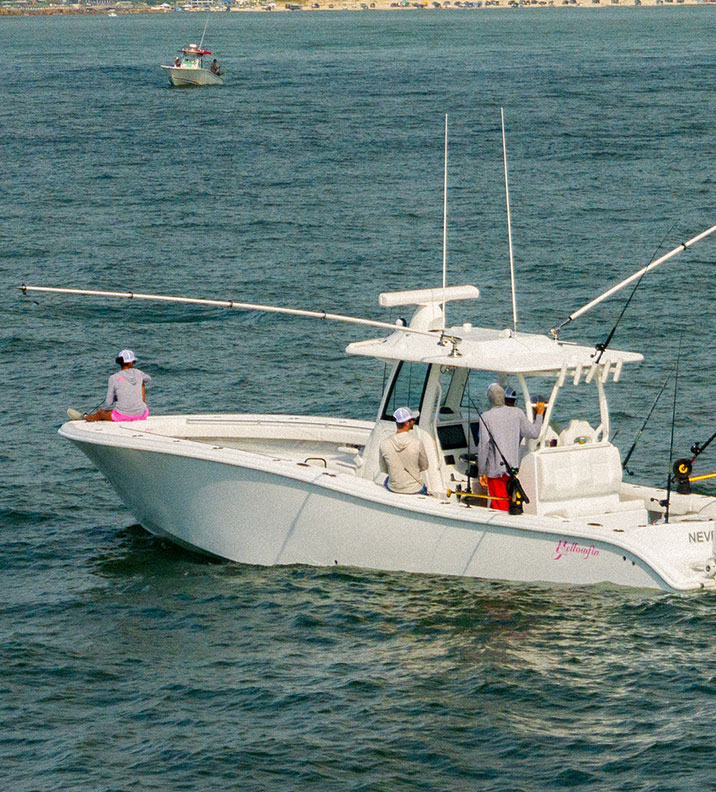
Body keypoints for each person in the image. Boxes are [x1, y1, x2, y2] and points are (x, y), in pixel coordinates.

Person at [477, 383, 545, 511]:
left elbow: (483, 447)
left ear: (489, 399)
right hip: (512, 470)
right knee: (509, 501)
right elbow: (534, 433)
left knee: (499, 505)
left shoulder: (485, 417)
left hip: (494, 472)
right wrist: (539, 414)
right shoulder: (518, 413)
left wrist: (481, 472)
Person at [68, 350, 152, 423]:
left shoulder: (114, 378)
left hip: (123, 416)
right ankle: (139, 407)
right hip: (142, 414)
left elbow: (108, 403)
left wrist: (117, 396)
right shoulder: (139, 373)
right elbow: (148, 379)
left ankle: (85, 417)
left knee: (100, 413)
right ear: (131, 362)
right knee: (142, 382)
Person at [379, 407, 428, 494]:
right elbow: (424, 466)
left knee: (387, 479)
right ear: (406, 423)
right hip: (415, 488)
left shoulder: (384, 443)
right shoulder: (417, 443)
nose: (414, 421)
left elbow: (384, 469)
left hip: (393, 487)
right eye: (412, 419)